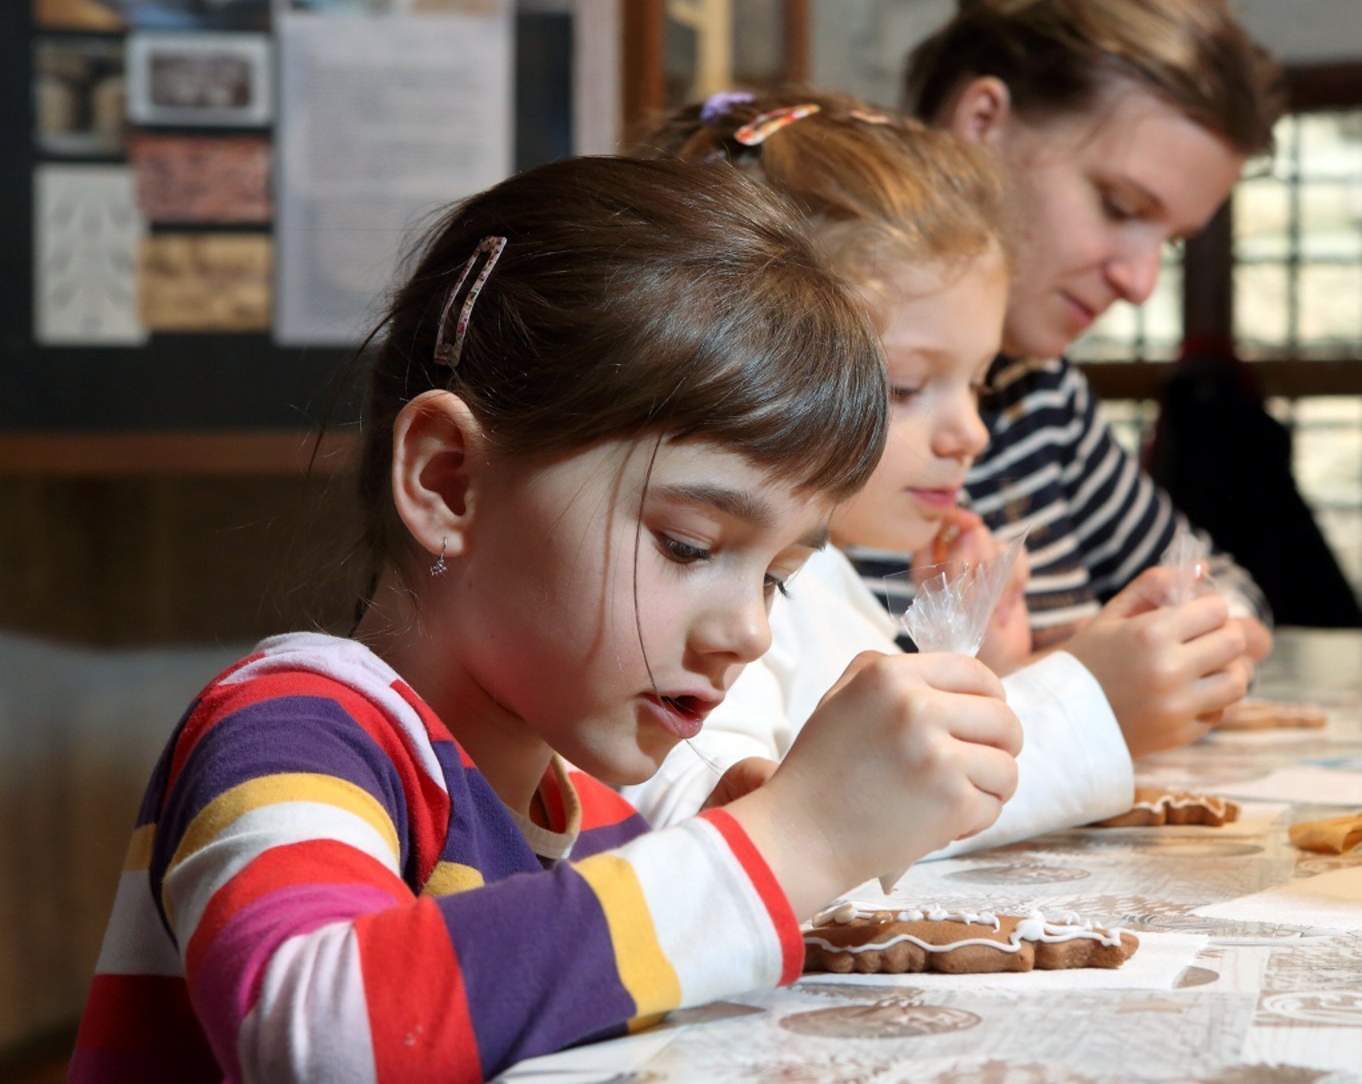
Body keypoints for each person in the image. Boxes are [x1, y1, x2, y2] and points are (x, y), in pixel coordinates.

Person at [70, 157, 1021, 1082]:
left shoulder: (590, 823)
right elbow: (318, 1036)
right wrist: (793, 838)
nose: (749, 632)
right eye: (688, 545)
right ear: (449, 480)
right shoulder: (292, 736)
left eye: (775, 578)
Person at [626, 93, 1249, 846]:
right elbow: (745, 825)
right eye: (908, 386)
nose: (971, 433)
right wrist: (1089, 706)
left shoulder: (824, 577)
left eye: (979, 382)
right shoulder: (716, 595)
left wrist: (984, 672)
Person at [851, 0, 1284, 655]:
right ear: (983, 124)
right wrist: (1084, 685)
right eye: (1119, 206)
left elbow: (1223, 586)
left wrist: (1194, 638)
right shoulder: (807, 400)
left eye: (1172, 242)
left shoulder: (1038, 393)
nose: (1142, 282)